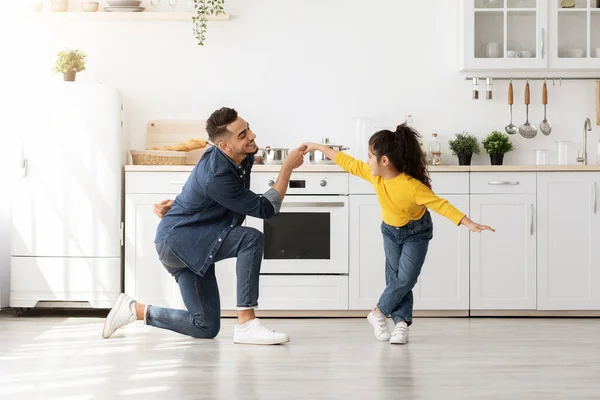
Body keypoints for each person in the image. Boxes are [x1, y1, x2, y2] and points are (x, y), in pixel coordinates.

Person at [102, 107, 305, 345]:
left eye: (247, 128)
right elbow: (266, 209)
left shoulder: (237, 156)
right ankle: (247, 323)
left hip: (189, 238)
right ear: (224, 146)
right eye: (242, 135)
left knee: (205, 326)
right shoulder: (218, 174)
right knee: (250, 239)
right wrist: (287, 168)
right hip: (180, 242)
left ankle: (134, 310)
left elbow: (197, 192)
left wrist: (176, 206)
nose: (252, 136)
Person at [303, 124, 495, 345]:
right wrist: (316, 146)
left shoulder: (412, 187)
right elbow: (346, 161)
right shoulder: (375, 176)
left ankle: (378, 312)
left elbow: (441, 205)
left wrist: (469, 223)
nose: (366, 161)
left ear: (384, 161)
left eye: (369, 156)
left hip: (417, 233)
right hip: (390, 232)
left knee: (406, 278)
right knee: (396, 279)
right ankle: (401, 324)